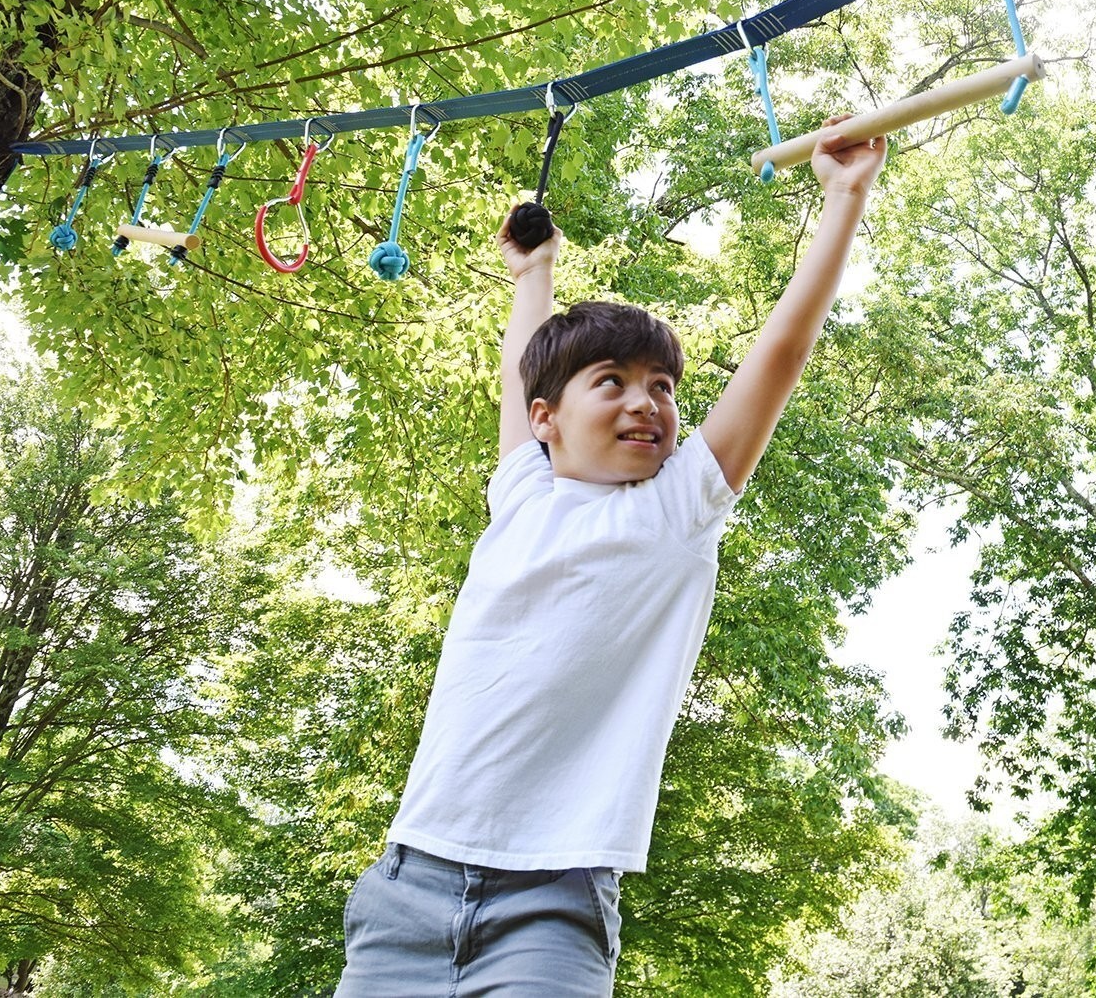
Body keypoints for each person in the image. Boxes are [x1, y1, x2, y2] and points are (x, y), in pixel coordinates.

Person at [334, 118, 887, 996]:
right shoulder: (522, 494)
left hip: (551, 905)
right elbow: (524, 374)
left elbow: (780, 353)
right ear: (550, 417)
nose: (648, 403)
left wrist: (843, 199)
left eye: (663, 387)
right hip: (407, 889)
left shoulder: (676, 508)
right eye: (615, 382)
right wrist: (535, 274)